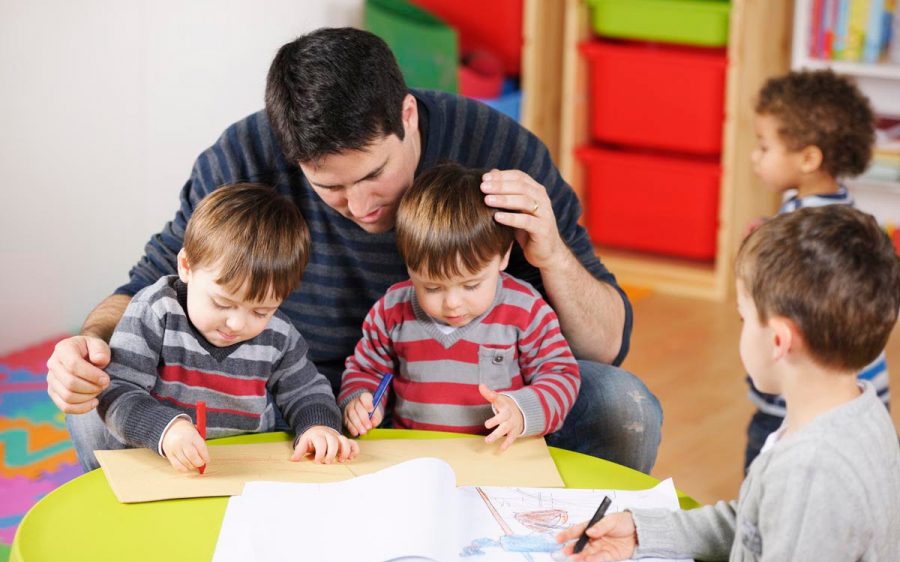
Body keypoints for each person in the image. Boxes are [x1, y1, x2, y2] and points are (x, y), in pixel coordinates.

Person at [46, 27, 662, 472]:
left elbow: (606, 346)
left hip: (460, 404)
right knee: (91, 405)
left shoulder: (496, 149)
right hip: (279, 397)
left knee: (621, 403)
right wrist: (91, 344)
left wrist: (551, 252)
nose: (362, 204)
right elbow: (150, 279)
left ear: (409, 116)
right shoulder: (245, 158)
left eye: (375, 175)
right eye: (330, 187)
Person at [555, 205, 900, 562]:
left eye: (744, 318)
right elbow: (754, 520)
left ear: (778, 340)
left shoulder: (812, 470)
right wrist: (643, 532)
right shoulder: (856, 412)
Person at [93, 183, 358, 472]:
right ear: (186, 266)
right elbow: (117, 391)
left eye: (261, 311)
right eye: (222, 303)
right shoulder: (157, 311)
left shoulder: (278, 334)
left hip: (247, 466)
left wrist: (318, 427)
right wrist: (166, 430)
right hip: (162, 463)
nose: (237, 324)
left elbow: (306, 390)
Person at [341, 163, 580, 450]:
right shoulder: (392, 311)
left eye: (471, 286)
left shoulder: (525, 311)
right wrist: (361, 400)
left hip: (498, 458)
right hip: (416, 457)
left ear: (503, 257)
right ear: (409, 266)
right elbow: (366, 370)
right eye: (431, 287)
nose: (452, 303)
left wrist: (522, 411)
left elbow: (560, 374)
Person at [744, 68, 888, 470]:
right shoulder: (847, 214)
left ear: (808, 158)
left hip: (793, 403)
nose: (755, 157)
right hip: (861, 394)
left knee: (763, 494)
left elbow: (774, 298)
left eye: (764, 146)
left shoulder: (796, 232)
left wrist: (754, 252)